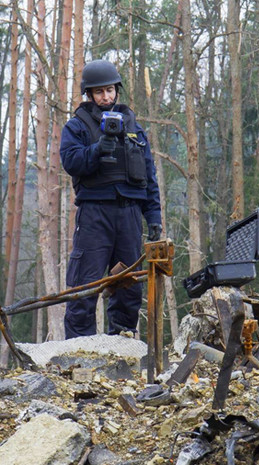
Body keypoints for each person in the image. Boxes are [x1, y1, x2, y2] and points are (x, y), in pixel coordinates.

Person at [60, 59, 162, 339]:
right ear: (89, 94)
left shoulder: (135, 129)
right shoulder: (77, 127)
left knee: (128, 289)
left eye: (109, 90)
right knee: (84, 287)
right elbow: (70, 161)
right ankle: (79, 355)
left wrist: (153, 218)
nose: (105, 97)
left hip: (130, 215)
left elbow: (149, 178)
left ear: (117, 90)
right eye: (99, 92)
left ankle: (122, 350)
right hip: (94, 215)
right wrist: (96, 149)